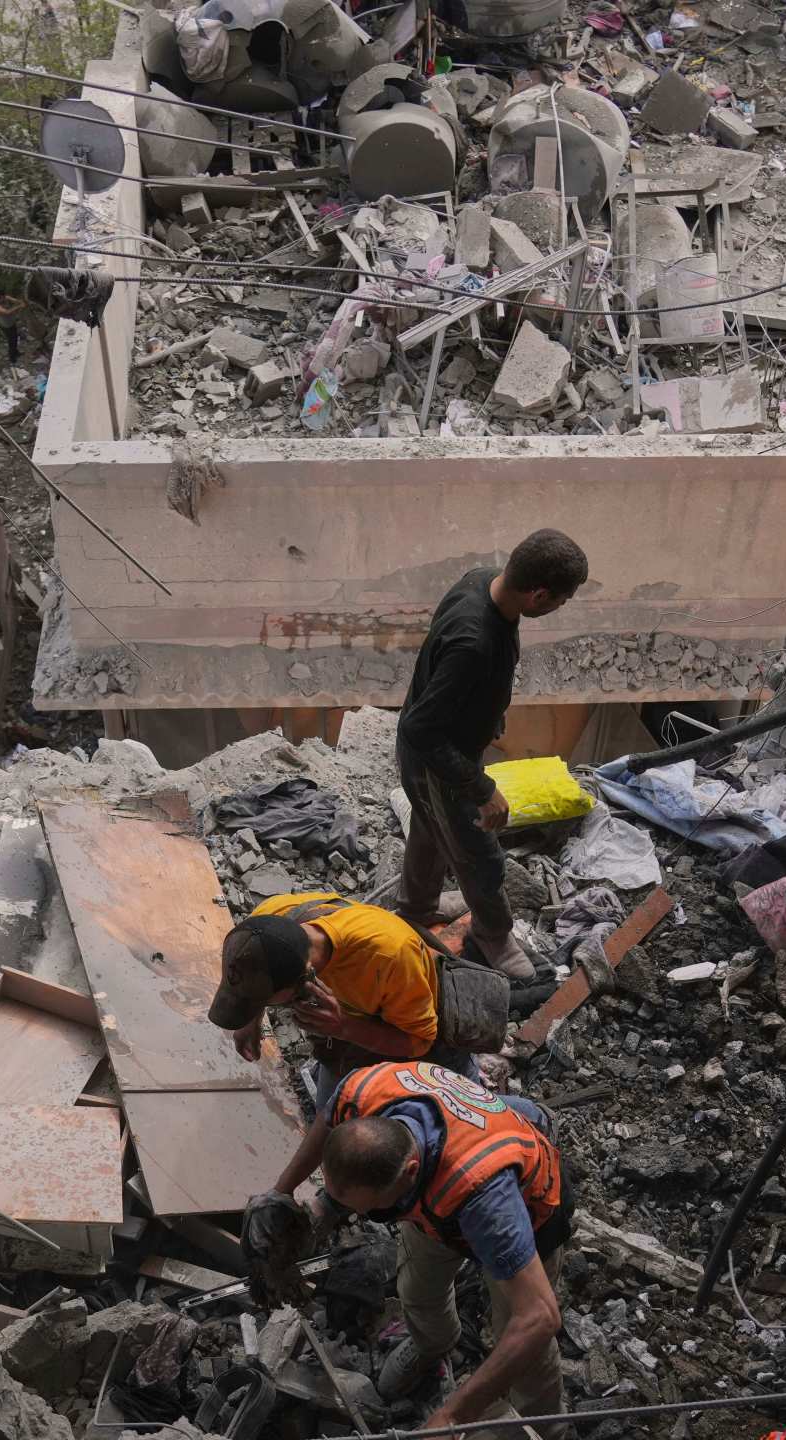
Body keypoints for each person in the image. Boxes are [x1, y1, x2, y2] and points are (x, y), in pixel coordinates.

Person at [268, 1061, 573, 1436]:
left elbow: (540, 1318)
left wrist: (451, 1416)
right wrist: (279, 1195)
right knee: (417, 1288)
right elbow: (327, 1122)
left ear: (411, 1172)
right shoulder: (360, 1091)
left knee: (521, 1339)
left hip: (526, 1208)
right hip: (436, 1206)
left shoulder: (483, 1200)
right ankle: (433, 1345)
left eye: (369, 1208)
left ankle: (547, 1425)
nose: (359, 1215)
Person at [395, 530, 590, 982]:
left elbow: (464, 682)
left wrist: (490, 713)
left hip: (443, 748)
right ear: (539, 594)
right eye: (561, 600)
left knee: (428, 828)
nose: (560, 607)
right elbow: (421, 728)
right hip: (437, 761)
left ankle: (417, 907)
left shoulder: (482, 581)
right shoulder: (473, 644)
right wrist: (481, 789)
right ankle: (494, 935)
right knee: (480, 855)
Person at [205, 891, 472, 1104]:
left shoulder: (388, 959)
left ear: (306, 979)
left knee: (336, 1111)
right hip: (359, 1008)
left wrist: (344, 1027)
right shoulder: (267, 919)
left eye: (265, 1000)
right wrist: (248, 1020)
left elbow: (419, 1040)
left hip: (414, 1021)